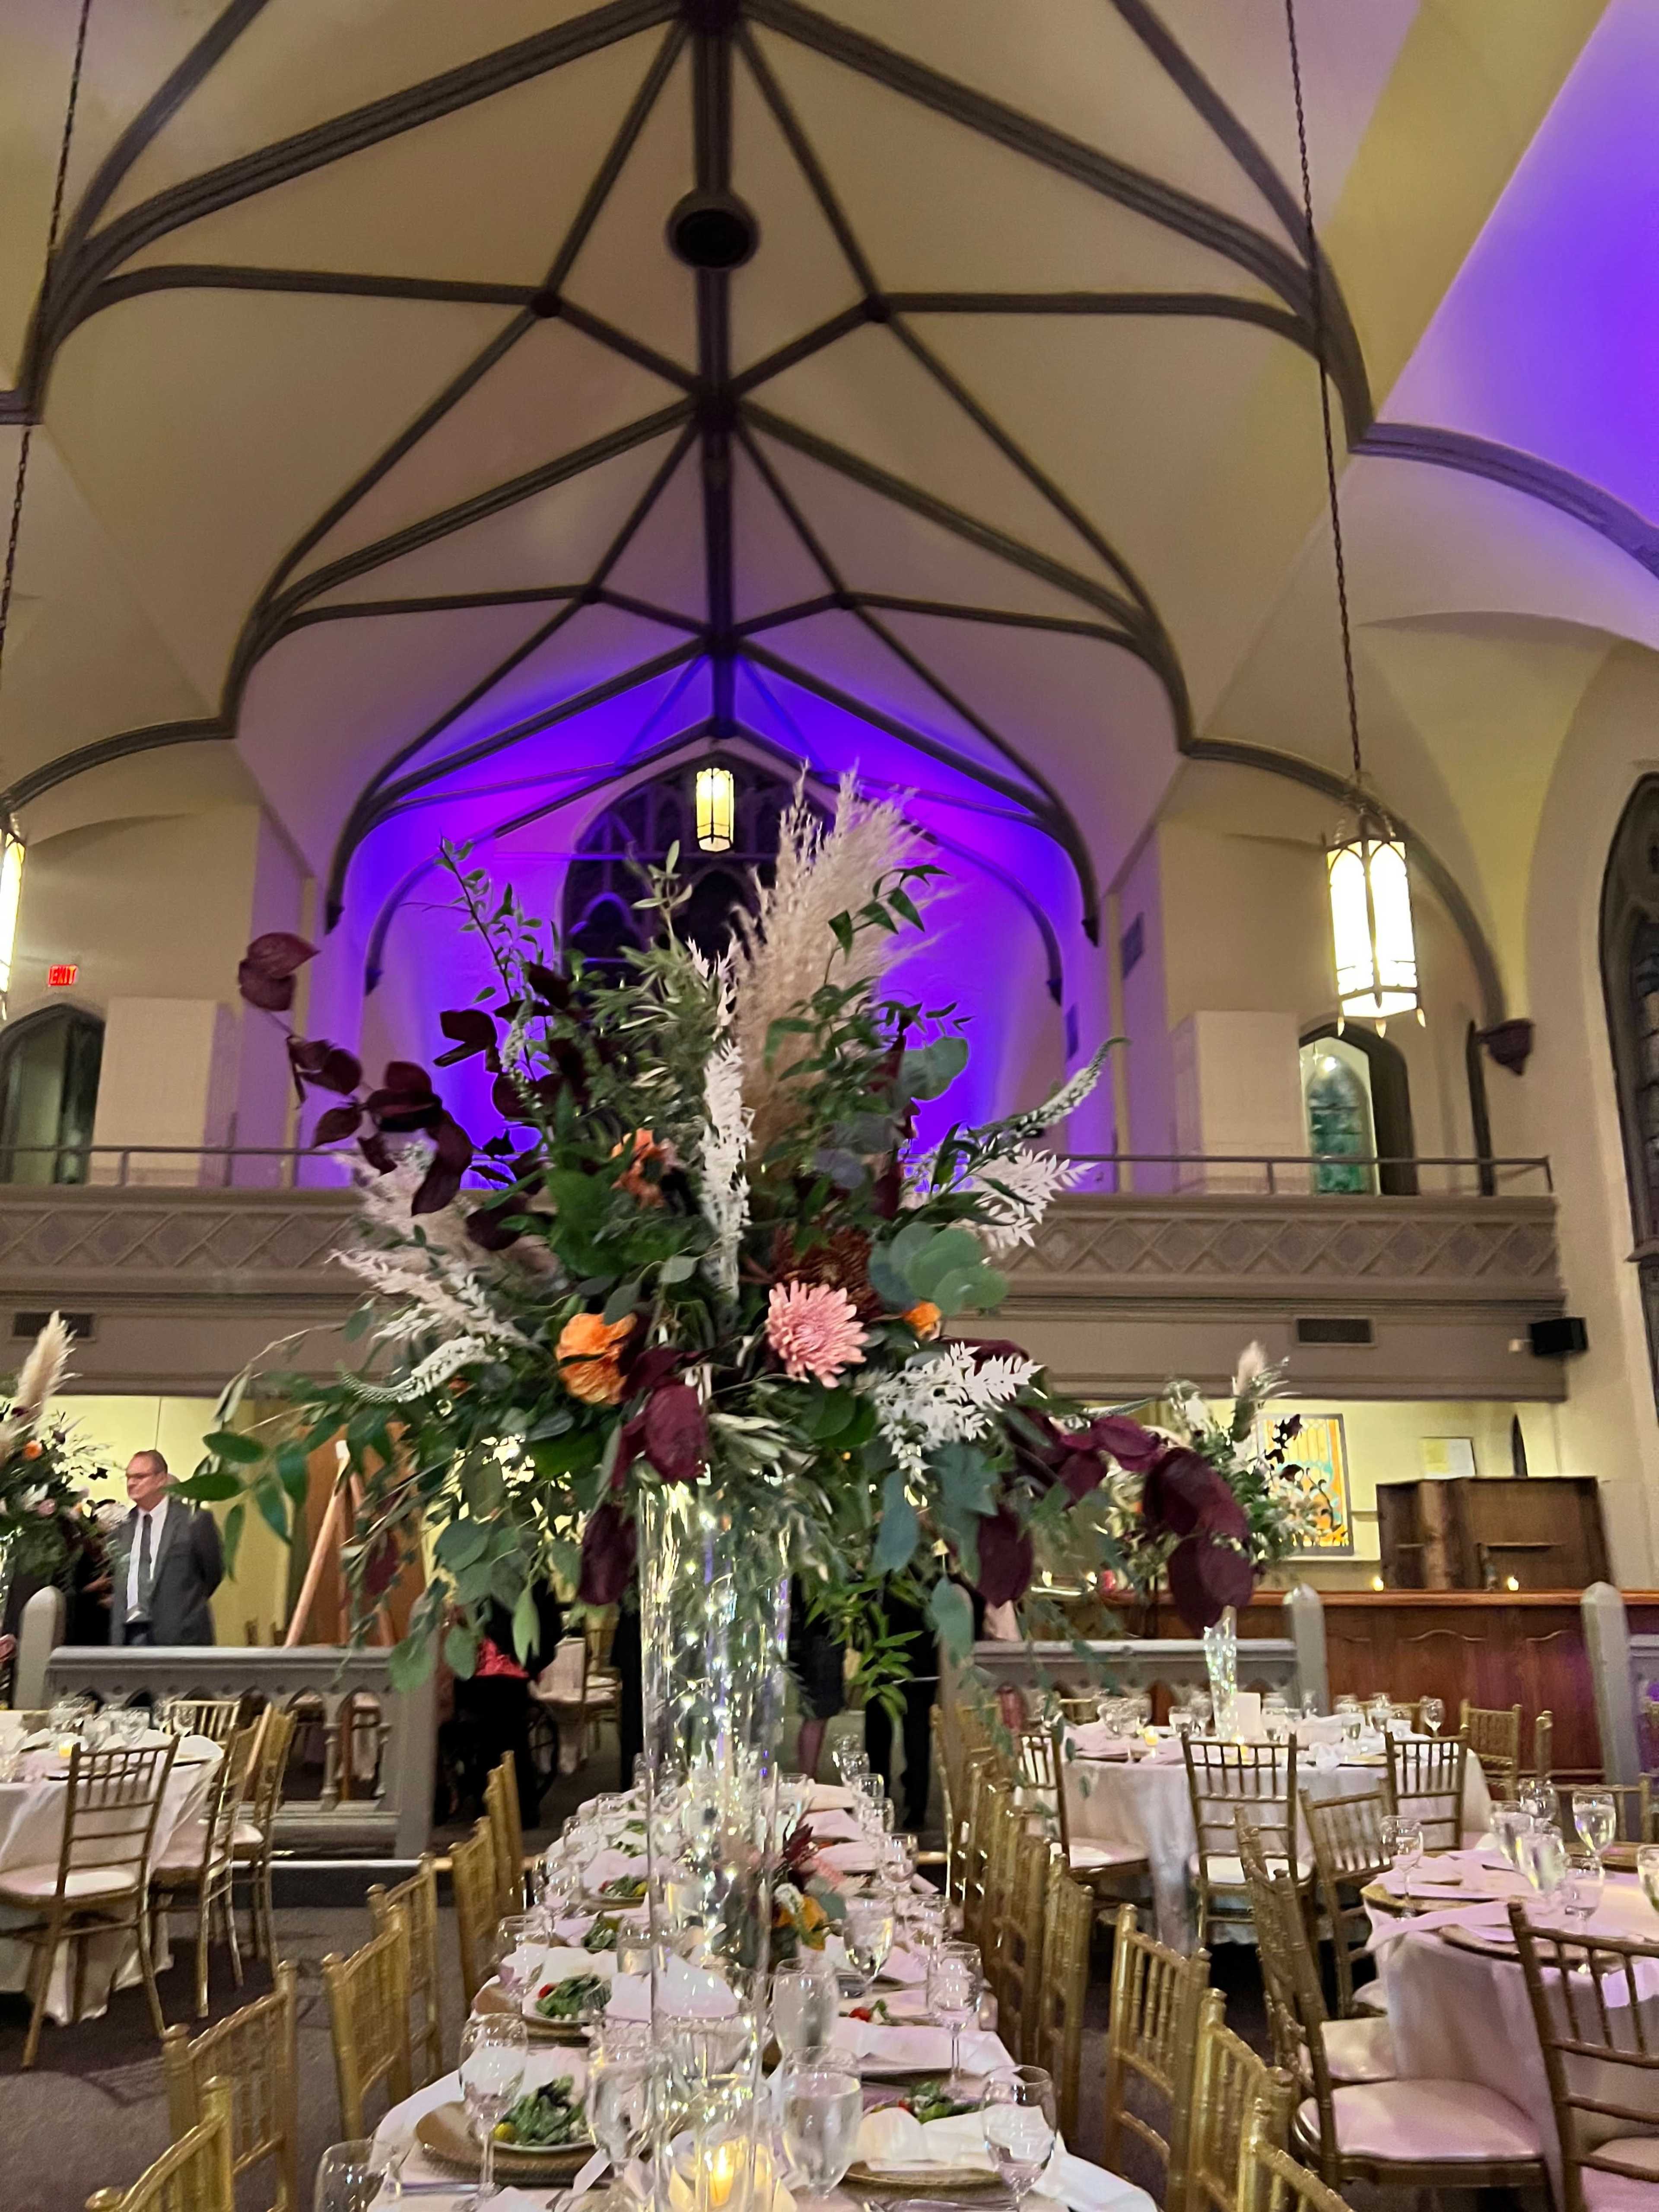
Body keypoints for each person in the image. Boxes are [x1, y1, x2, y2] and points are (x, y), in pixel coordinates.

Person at [107, 1450, 222, 1646]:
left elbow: (213, 1574)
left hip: (180, 1633)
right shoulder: (122, 1527)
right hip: (128, 1636)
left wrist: (182, 1603)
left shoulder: (194, 1520)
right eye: (128, 1477)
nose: (131, 1483)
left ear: (161, 1479)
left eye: (139, 1477)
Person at [861, 1584, 938, 1832]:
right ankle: (916, 1808)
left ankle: (877, 1800)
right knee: (916, 1736)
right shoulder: (933, 1562)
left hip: (883, 1657)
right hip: (921, 1659)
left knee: (880, 1734)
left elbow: (866, 1599)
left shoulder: (881, 1557)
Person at [788, 1578, 846, 1780]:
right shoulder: (821, 1559)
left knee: (816, 1716)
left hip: (812, 1638)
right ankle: (808, 1777)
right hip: (819, 1640)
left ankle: (808, 1776)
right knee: (816, 1715)